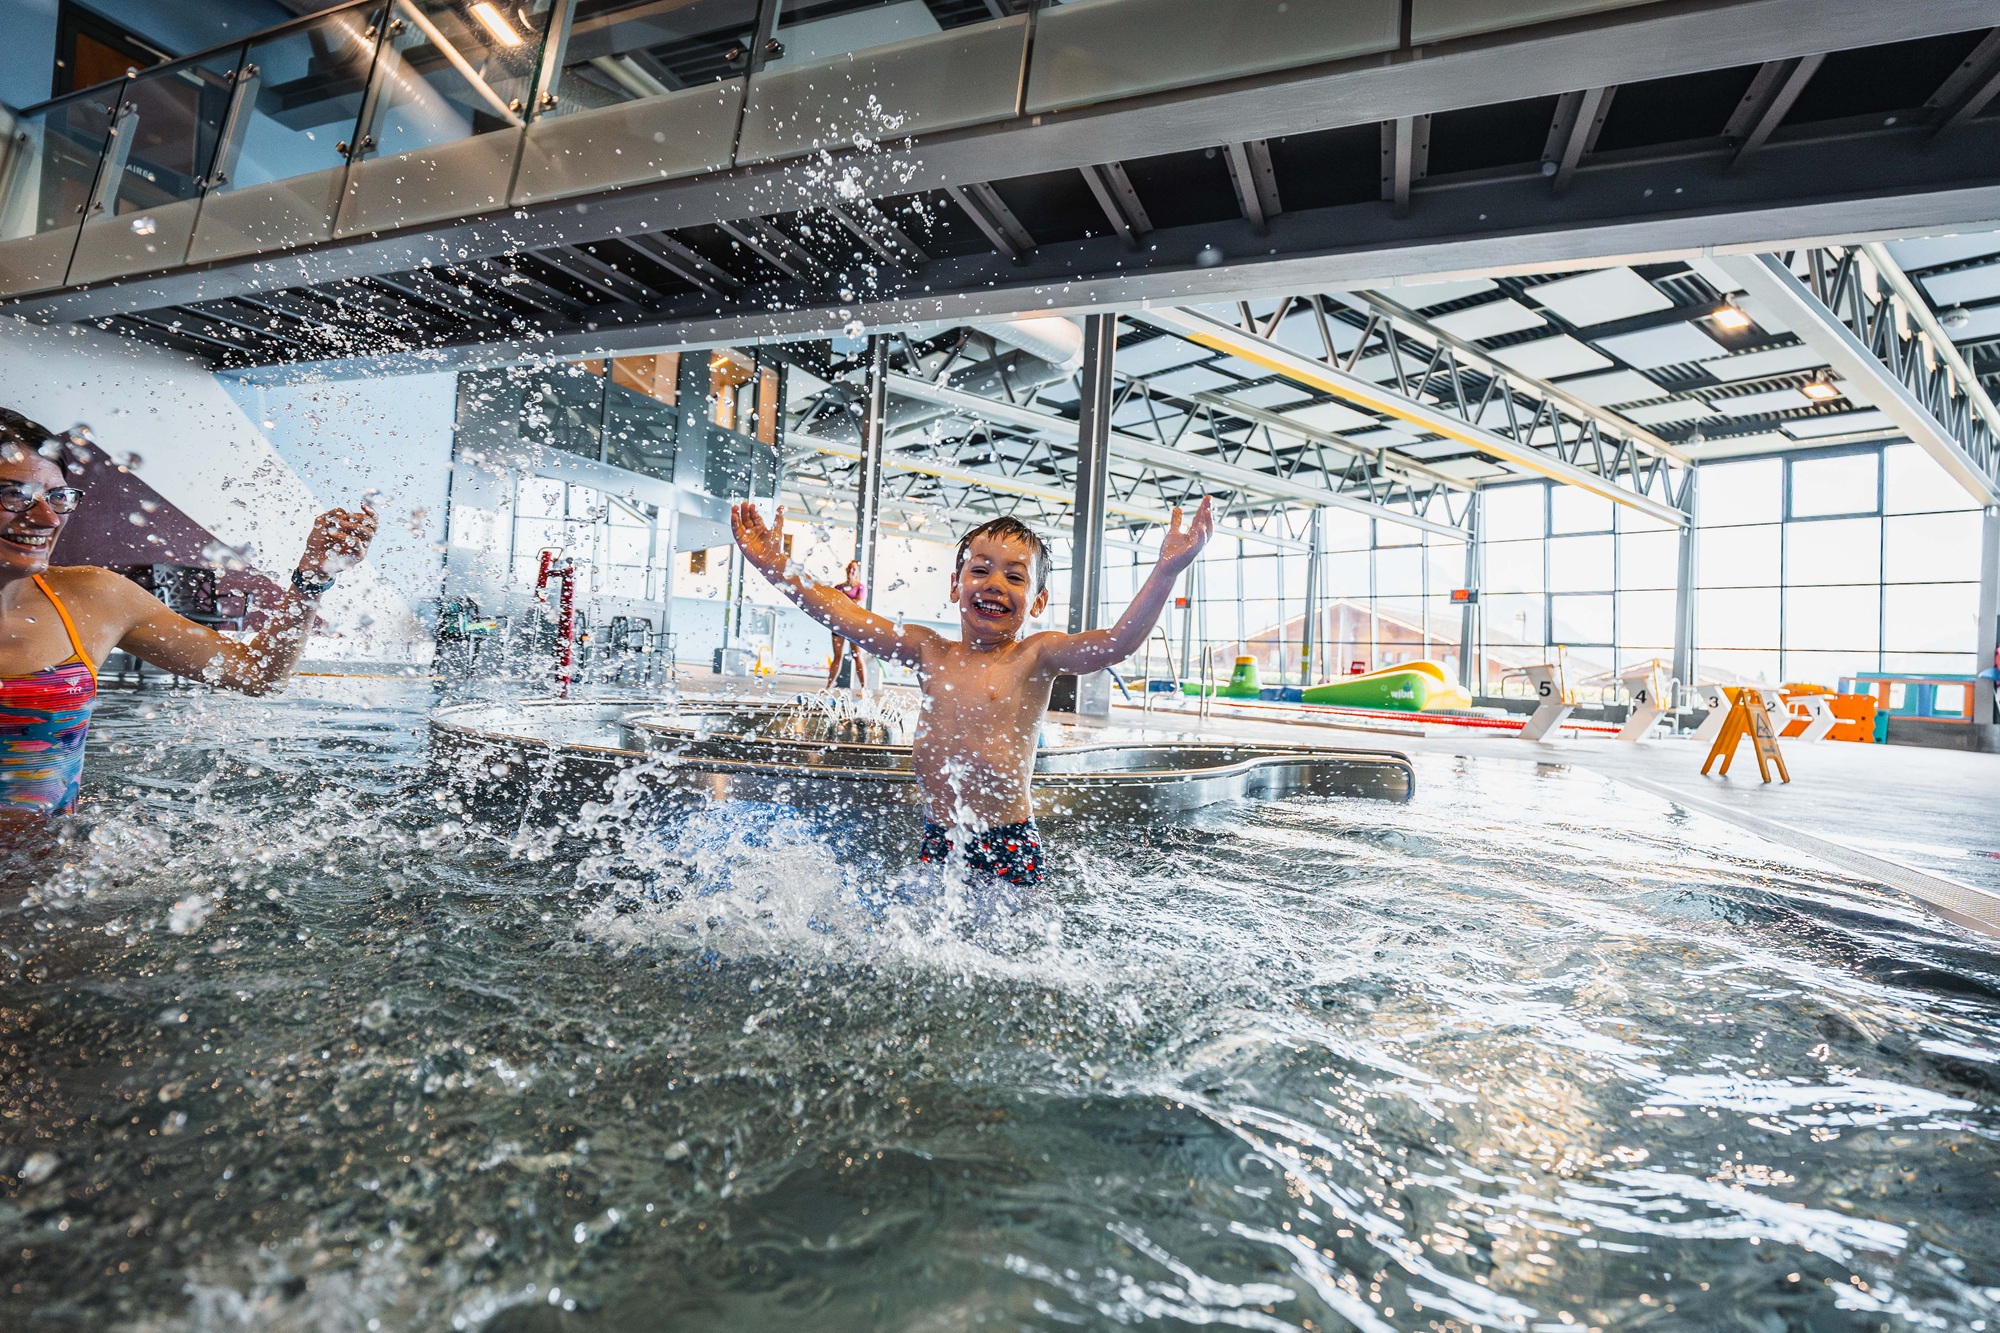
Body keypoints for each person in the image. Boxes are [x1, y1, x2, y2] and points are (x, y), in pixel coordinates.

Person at [731, 496, 1213, 887]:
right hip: (940, 836)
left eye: (1015, 576)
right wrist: (779, 568)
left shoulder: (1035, 656)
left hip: (1007, 841)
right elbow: (843, 616)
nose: (994, 584)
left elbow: (1115, 644)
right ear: (955, 585)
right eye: (980, 570)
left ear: (1038, 601)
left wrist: (1165, 572)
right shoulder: (929, 650)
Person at [0, 408, 377, 824]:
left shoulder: (93, 598)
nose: (47, 518)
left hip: (46, 878)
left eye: (57, 497)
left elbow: (260, 676)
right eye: (14, 495)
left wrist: (310, 580)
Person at [826, 559, 867, 692]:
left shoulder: (860, 587)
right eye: (850, 568)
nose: (851, 571)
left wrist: (842, 602)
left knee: (857, 655)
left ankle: (863, 687)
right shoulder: (838, 587)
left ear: (857, 572)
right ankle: (829, 686)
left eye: (854, 569)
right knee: (837, 656)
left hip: (854, 624)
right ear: (846, 570)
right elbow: (831, 602)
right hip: (839, 624)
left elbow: (858, 602)